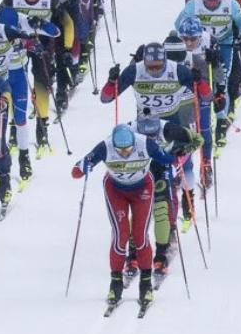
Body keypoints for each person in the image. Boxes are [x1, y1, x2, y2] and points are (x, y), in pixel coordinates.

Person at [73, 123, 177, 314]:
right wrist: (83, 166)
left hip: (142, 188)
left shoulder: (145, 143)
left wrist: (172, 169)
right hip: (115, 190)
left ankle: (145, 284)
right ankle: (115, 284)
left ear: (133, 142)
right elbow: (76, 171)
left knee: (140, 236)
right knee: (120, 236)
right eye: (120, 150)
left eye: (128, 149)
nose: (124, 153)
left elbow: (167, 159)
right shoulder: (105, 146)